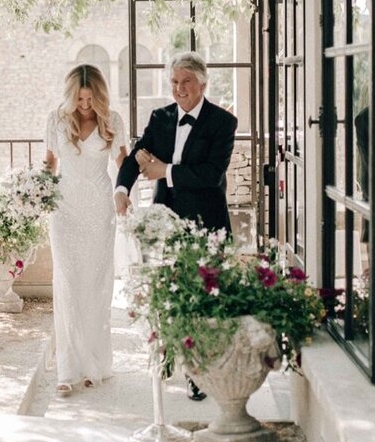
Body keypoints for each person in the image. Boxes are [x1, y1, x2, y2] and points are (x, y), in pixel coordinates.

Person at [114, 51, 238, 401]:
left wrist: (164, 171)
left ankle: (205, 368)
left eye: (186, 82)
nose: (179, 88)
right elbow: (138, 155)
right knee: (174, 296)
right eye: (174, 82)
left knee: (207, 299)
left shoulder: (222, 123)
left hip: (207, 223)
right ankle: (182, 365)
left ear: (202, 84)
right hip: (166, 224)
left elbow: (211, 176)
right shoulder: (162, 117)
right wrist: (123, 189)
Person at [44, 65, 128, 397]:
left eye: (91, 98)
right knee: (67, 284)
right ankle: (68, 369)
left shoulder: (113, 121)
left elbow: (124, 163)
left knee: (95, 285)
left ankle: (95, 364)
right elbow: (49, 163)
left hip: (98, 211)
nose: (85, 104)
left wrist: (125, 192)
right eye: (79, 98)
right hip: (63, 211)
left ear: (100, 95)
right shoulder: (57, 120)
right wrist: (36, 192)